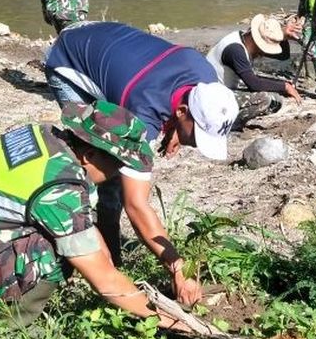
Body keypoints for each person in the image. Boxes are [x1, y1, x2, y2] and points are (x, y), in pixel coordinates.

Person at [0, 101, 193, 332]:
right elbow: (104, 281)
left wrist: (109, 266)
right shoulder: (59, 188)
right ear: (90, 155)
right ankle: (11, 329)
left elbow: (86, 229)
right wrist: (172, 321)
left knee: (74, 235)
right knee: (56, 249)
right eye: (116, 165)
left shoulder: (44, 137)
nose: (116, 174)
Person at [45, 22, 240, 305]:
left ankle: (108, 254)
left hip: (107, 43)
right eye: (196, 136)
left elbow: (173, 95)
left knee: (116, 167)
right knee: (102, 173)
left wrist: (175, 129)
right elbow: (135, 204)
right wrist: (178, 269)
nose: (196, 144)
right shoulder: (143, 113)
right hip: (70, 60)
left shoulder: (206, 79)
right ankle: (104, 265)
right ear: (182, 110)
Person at [206, 14, 303, 128]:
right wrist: (285, 87)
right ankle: (228, 124)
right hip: (212, 96)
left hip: (224, 88)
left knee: (275, 98)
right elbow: (254, 84)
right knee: (265, 100)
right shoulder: (236, 50)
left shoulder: (246, 38)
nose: (263, 53)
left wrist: (284, 36)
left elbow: (283, 55)